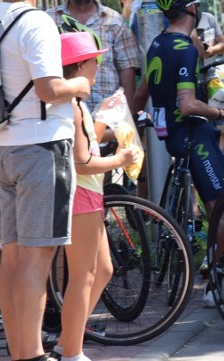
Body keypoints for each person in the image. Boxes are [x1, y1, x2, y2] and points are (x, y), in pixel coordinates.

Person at [0, 0, 91, 361]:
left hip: (3, 148)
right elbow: (50, 89)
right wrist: (81, 84)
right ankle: (31, 355)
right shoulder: (37, 22)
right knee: (37, 259)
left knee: (10, 259)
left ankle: (19, 352)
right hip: (41, 148)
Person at [52, 32, 135, 361]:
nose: (98, 66)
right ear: (80, 65)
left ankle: (67, 341)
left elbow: (87, 144)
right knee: (83, 276)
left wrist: (108, 124)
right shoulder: (71, 107)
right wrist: (120, 161)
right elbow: (83, 162)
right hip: (80, 195)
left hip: (88, 196)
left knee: (102, 271)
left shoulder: (77, 104)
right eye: (94, 60)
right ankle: (71, 352)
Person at [145, 0, 224, 215]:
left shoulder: (157, 43)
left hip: (170, 134)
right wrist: (221, 113)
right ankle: (221, 252)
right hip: (191, 134)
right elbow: (188, 105)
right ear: (193, 8)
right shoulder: (184, 50)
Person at [46, 0, 140, 110]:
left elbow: (127, 68)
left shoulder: (113, 20)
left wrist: (128, 114)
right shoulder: (49, 19)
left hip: (107, 115)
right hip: (63, 114)